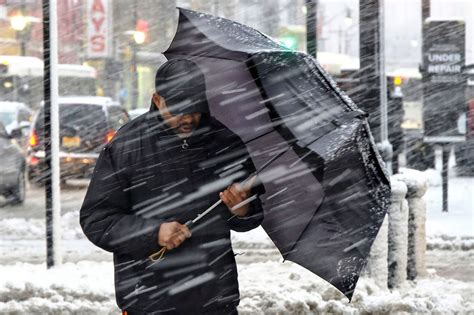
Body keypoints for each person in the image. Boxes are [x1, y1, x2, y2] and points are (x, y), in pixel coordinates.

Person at [80, 59, 264, 315]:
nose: (187, 118)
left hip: (214, 300)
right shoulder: (126, 146)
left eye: (195, 109)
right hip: (148, 300)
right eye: (178, 109)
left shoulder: (223, 142)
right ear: (157, 100)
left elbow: (252, 216)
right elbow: (97, 220)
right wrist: (153, 233)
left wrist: (242, 209)